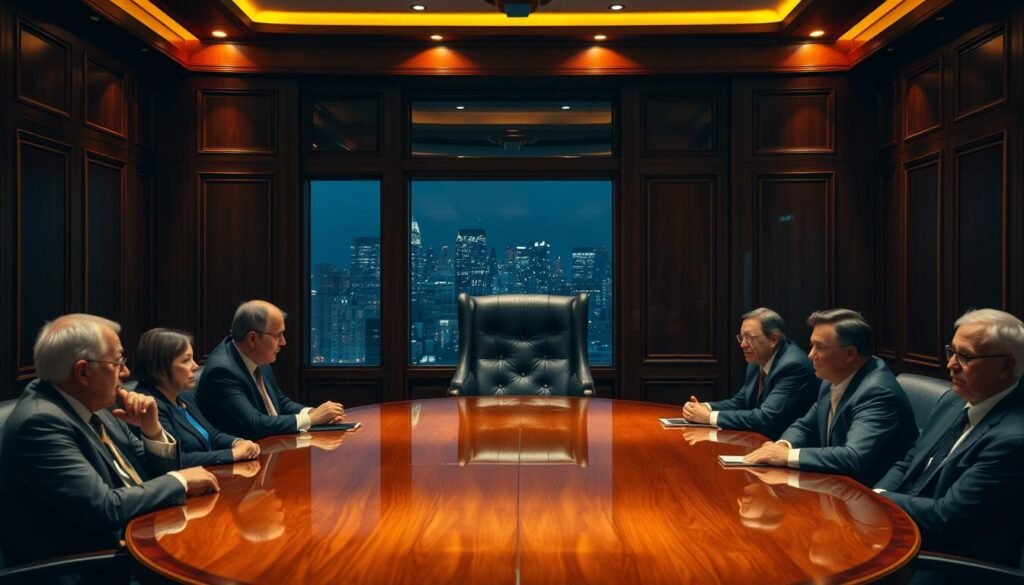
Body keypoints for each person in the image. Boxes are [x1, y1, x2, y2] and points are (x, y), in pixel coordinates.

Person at [0, 314, 219, 567]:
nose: (126, 372)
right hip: (87, 566)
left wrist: (152, 430)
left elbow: (150, 473)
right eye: (117, 362)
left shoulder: (95, 405)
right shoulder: (40, 425)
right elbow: (105, 509)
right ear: (83, 372)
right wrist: (180, 481)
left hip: (140, 540)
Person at [875, 308, 1024, 567]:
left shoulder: (1013, 439)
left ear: (1005, 367)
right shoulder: (952, 401)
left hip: (951, 560)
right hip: (902, 529)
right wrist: (875, 497)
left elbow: (947, 516)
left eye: (965, 356)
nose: (951, 364)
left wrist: (879, 500)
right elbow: (910, 461)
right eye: (951, 351)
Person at [743, 309, 917, 486]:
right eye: (812, 345)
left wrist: (788, 456)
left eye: (820, 347)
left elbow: (853, 457)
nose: (810, 354)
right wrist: (783, 446)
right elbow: (804, 427)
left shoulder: (877, 392)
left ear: (850, 354)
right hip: (836, 484)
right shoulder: (831, 379)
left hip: (871, 494)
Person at [197, 300, 345, 440]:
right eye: (278, 335)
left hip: (274, 446)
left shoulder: (256, 355)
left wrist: (314, 413)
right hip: (243, 458)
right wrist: (311, 419)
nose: (283, 342)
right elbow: (254, 423)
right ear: (252, 339)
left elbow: (281, 403)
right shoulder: (222, 372)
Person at [682, 308, 818, 439]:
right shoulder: (756, 361)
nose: (743, 345)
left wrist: (708, 417)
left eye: (749, 338)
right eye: (742, 338)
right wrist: (703, 407)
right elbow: (740, 402)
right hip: (759, 441)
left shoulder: (793, 366)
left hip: (782, 444)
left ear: (773, 339)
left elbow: (765, 418)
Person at [134, 328, 261, 467]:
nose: (195, 366)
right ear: (159, 370)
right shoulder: (150, 405)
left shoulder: (183, 396)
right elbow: (177, 459)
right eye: (186, 360)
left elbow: (211, 435)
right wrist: (232, 454)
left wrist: (237, 442)